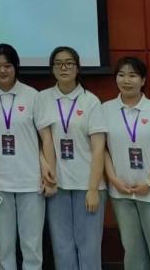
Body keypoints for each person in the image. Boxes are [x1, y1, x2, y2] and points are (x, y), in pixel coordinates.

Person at [0, 44, 56, 270]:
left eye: (7, 65)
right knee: (5, 249)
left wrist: (49, 175)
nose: (2, 70)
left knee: (32, 248)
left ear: (16, 67)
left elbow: (46, 138)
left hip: (31, 182)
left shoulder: (32, 95)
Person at [102, 56, 150, 270]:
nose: (126, 80)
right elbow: (102, 149)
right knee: (133, 253)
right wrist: (114, 179)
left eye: (133, 75)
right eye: (121, 75)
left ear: (143, 80)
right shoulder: (105, 110)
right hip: (122, 194)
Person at [37, 46, 107, 270]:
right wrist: (48, 174)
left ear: (78, 68)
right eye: (58, 63)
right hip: (58, 185)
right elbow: (42, 140)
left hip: (87, 184)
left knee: (89, 247)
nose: (63, 67)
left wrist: (93, 189)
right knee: (62, 247)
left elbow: (99, 148)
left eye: (69, 63)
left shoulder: (90, 101)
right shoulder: (43, 98)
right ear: (52, 69)